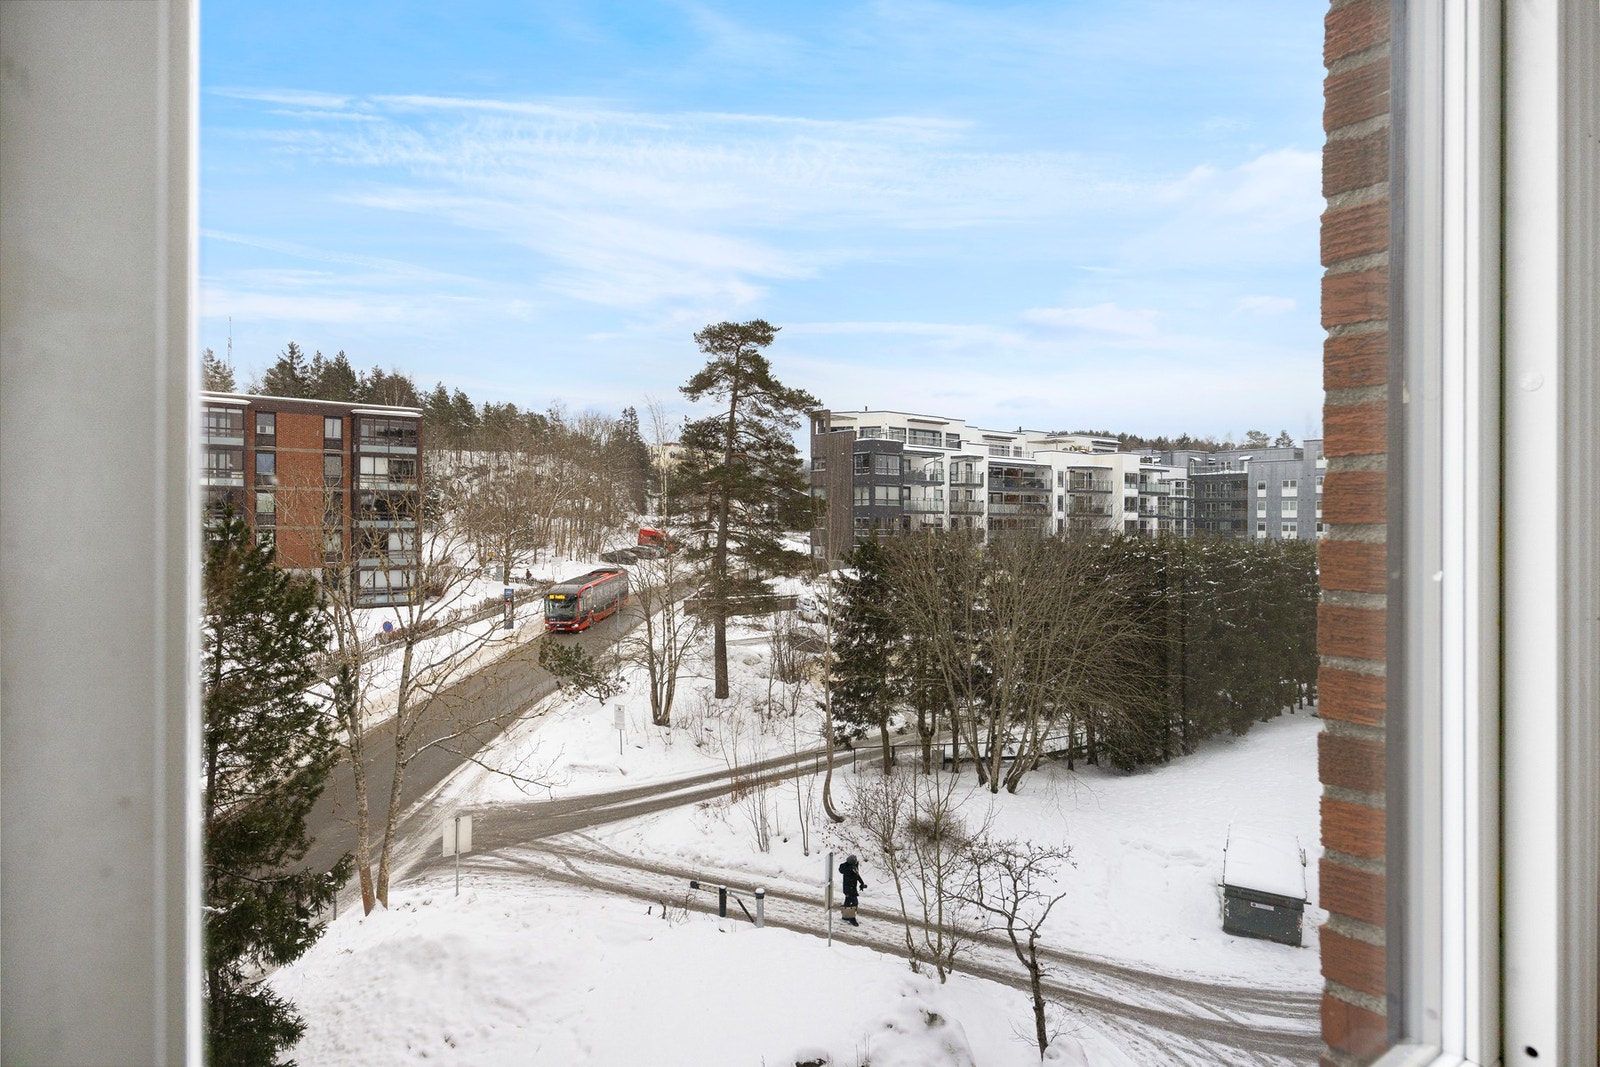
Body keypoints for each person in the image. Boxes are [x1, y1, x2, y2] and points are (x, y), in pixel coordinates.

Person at [839, 854, 867, 926]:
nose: (857, 861)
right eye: (855, 860)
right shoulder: (848, 869)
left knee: (847, 902)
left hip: (852, 888)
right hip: (849, 889)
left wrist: (862, 883)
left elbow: (857, 876)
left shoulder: (853, 867)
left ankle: (845, 916)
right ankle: (852, 918)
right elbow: (855, 876)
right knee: (854, 903)